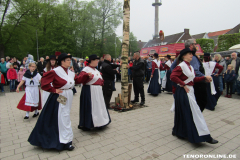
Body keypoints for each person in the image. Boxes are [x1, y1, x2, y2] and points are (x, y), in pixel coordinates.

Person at [28, 53, 82, 151]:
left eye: (70, 60)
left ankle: (65, 138)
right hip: (60, 96)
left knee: (65, 115)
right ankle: (63, 141)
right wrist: (54, 90)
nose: (70, 61)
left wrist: (86, 76)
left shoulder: (70, 72)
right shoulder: (55, 71)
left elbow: (76, 81)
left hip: (68, 95)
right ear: (62, 61)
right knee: (62, 116)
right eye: (68, 60)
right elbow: (44, 83)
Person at [170, 48, 218, 144]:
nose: (191, 55)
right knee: (193, 113)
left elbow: (193, 79)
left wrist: (204, 78)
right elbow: (172, 76)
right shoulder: (181, 66)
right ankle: (202, 136)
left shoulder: (190, 67)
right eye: (189, 54)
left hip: (189, 92)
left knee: (187, 112)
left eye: (191, 54)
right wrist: (182, 84)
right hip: (184, 92)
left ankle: (180, 132)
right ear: (184, 56)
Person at [77, 54, 111, 131]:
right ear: (92, 61)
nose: (97, 62)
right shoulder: (86, 69)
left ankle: (100, 122)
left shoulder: (96, 70)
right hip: (89, 91)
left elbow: (100, 80)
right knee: (91, 107)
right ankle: (89, 124)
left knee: (99, 106)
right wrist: (86, 75)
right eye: (96, 60)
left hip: (98, 92)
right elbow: (79, 80)